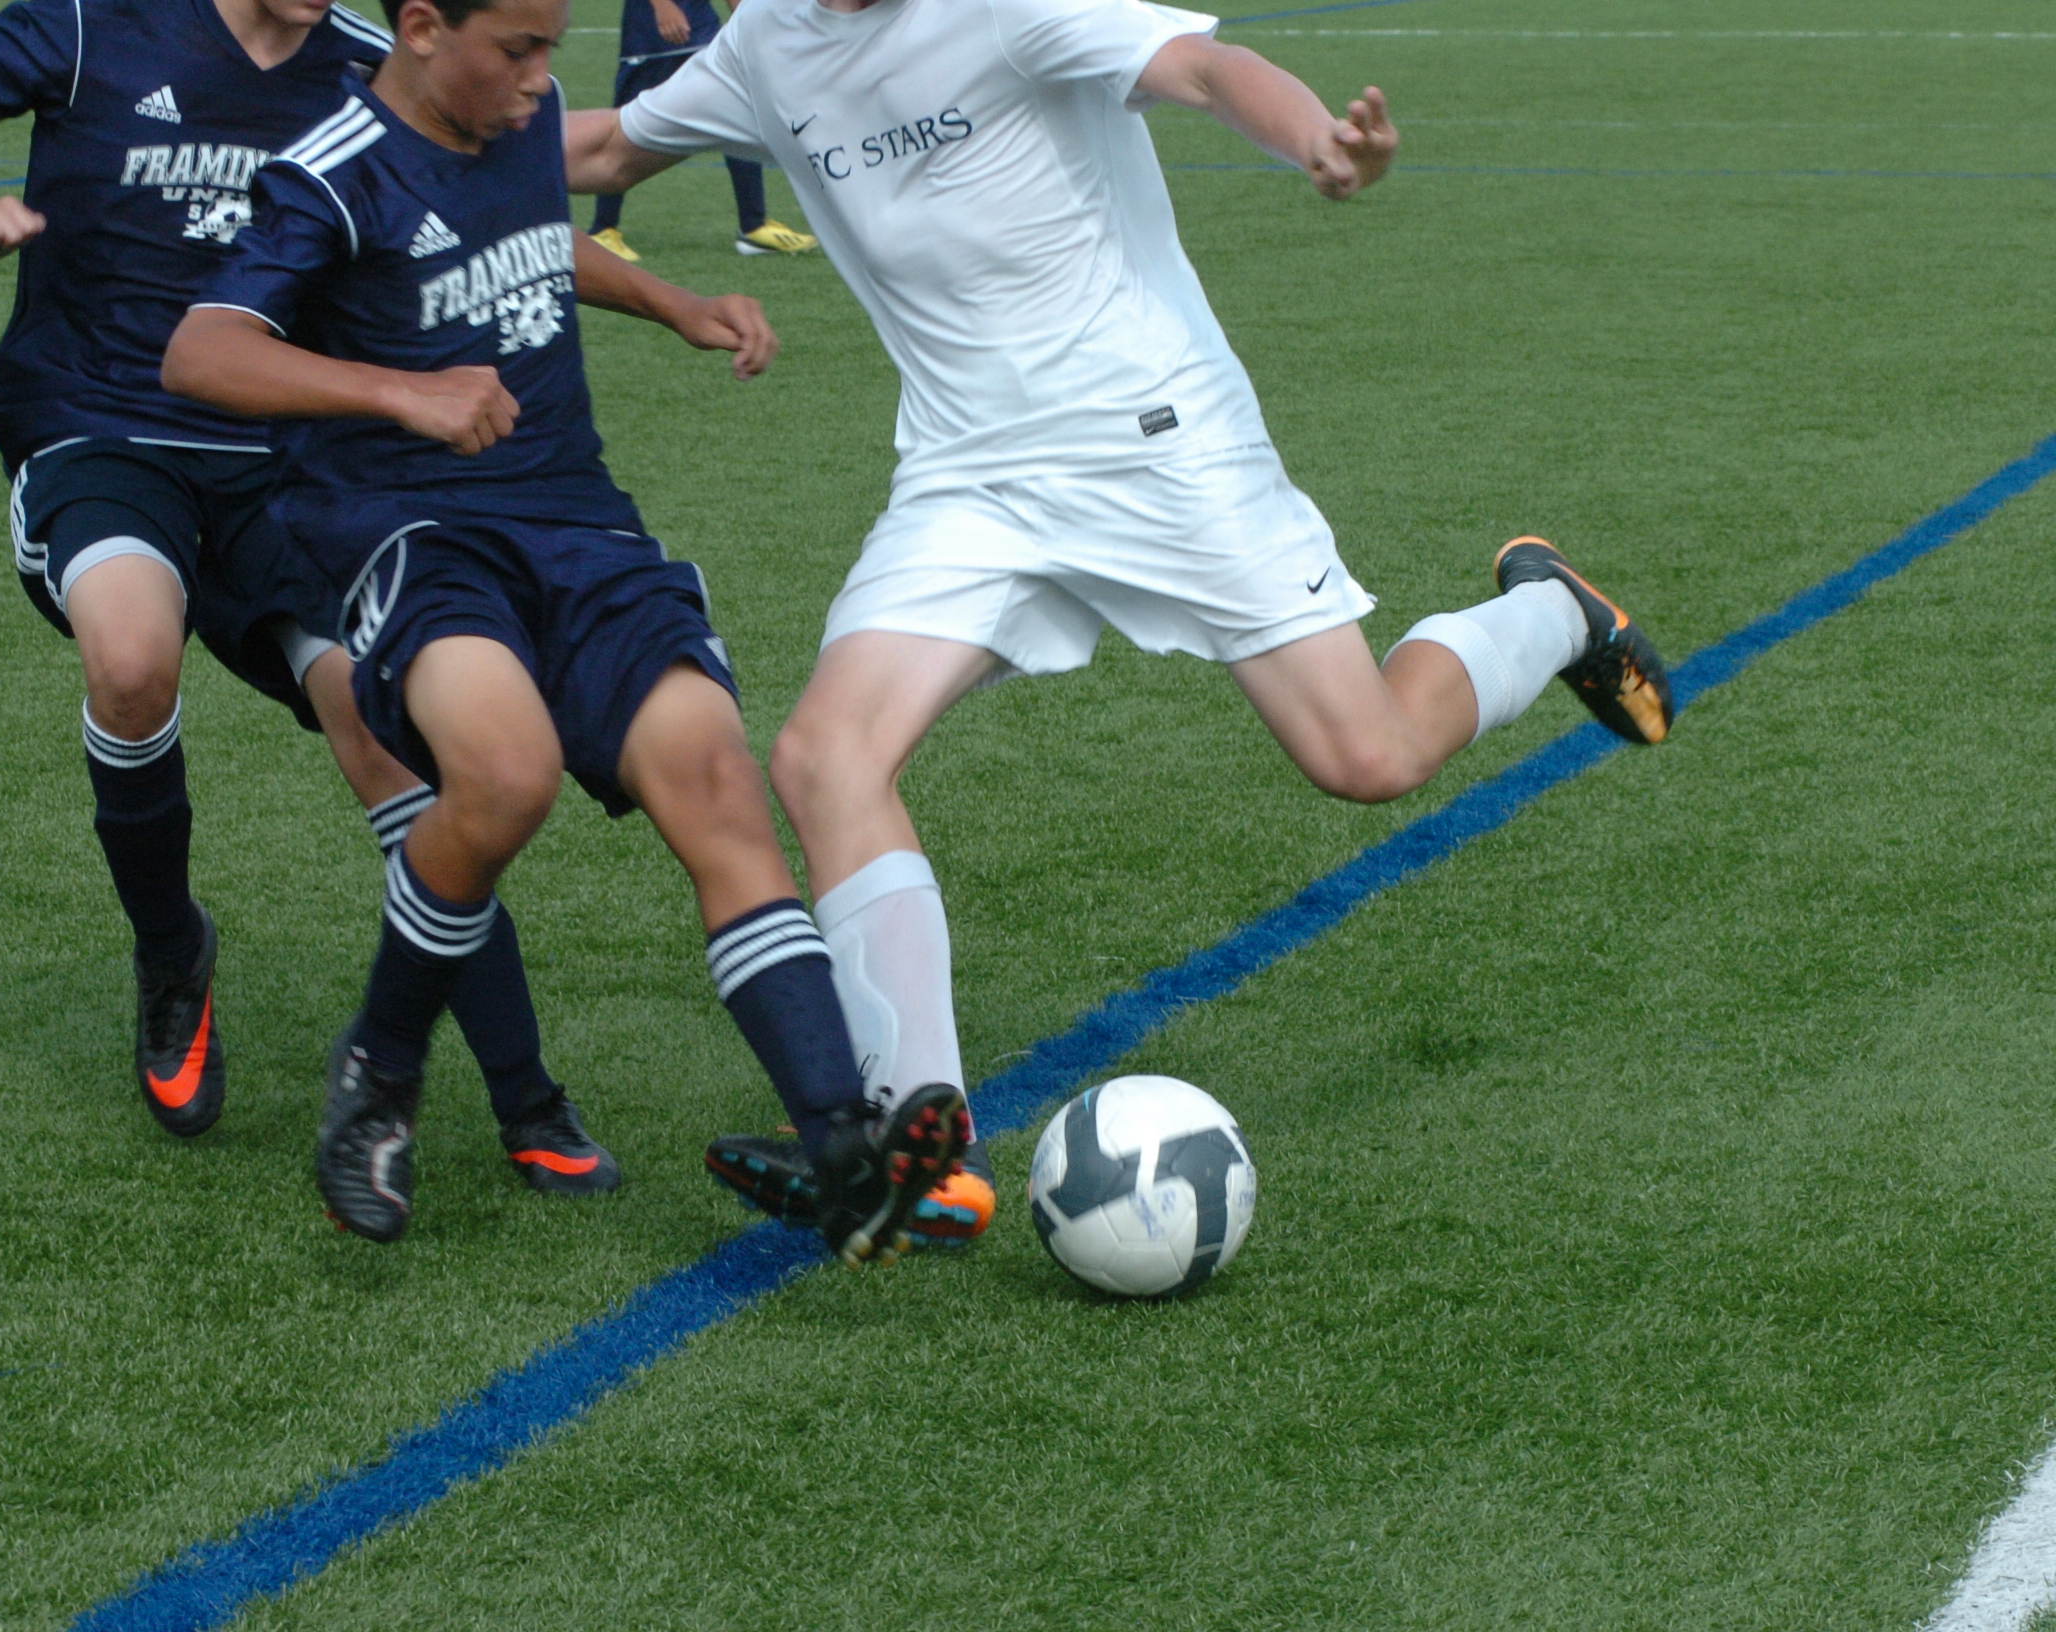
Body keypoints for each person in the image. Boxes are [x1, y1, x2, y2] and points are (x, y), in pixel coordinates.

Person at [561, 0, 1677, 1244]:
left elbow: (1201, 66)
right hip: (968, 479)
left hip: (1157, 439)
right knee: (825, 755)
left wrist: (1318, 139)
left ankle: (1552, 613)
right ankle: (926, 1152)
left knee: (1365, 756)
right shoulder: (770, 40)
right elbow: (606, 148)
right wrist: (412, 130)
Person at [159, 0, 970, 1256]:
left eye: (554, 48)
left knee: (713, 775)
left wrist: (671, 301)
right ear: (421, 29)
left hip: (578, 524)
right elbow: (202, 353)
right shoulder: (330, 174)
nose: (544, 82)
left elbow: (538, 243)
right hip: (414, 532)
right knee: (506, 773)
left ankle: (837, 1143)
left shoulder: (517, 127)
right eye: (519, 51)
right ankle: (380, 1068)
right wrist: (403, 393)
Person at [0, 0, 622, 1196]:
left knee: (389, 737)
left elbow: (515, 223)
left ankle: (524, 1090)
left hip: (285, 459)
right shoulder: (93, 24)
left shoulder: (365, 67)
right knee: (132, 659)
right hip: (99, 427)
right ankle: (172, 955)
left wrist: (672, 302)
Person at [584, 0, 816, 261]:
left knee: (734, 112)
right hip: (650, 35)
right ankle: (602, 229)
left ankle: (753, 226)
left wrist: (744, 13)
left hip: (702, 26)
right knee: (624, 130)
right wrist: (662, 6)